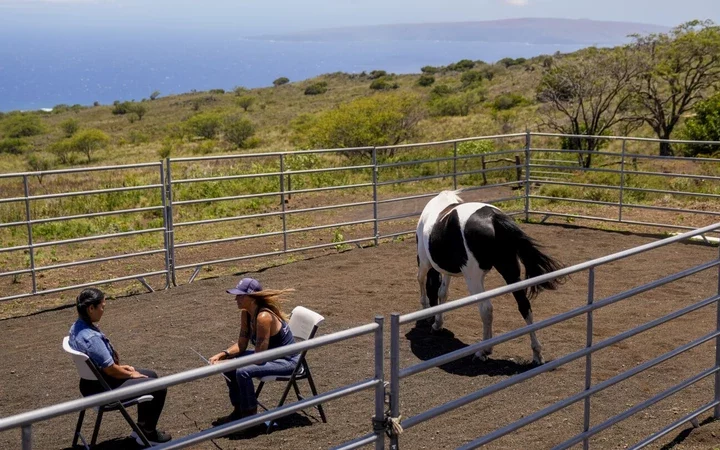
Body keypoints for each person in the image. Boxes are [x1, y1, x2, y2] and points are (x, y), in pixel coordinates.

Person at [68, 287, 172, 445]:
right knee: (159, 387)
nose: (103, 310)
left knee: (151, 375)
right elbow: (110, 369)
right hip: (104, 388)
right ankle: (147, 435)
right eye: (102, 307)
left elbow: (105, 365)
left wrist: (124, 369)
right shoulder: (91, 338)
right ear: (91, 308)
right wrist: (130, 374)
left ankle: (143, 429)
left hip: (90, 383)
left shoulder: (77, 328)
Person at [209, 277, 299, 427]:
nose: (236, 299)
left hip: (287, 361)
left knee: (242, 371)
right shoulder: (247, 313)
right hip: (270, 356)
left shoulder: (263, 317)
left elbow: (259, 358)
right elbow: (241, 345)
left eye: (240, 295)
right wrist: (223, 354)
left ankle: (250, 418)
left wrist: (229, 362)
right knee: (230, 367)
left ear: (251, 297)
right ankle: (239, 412)